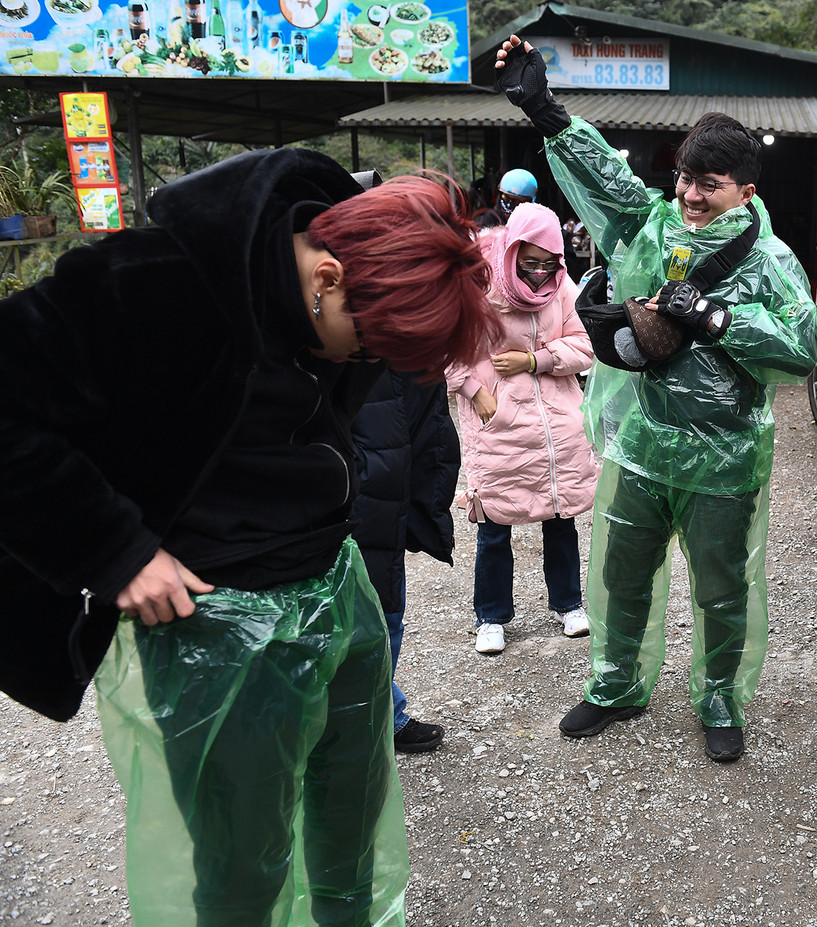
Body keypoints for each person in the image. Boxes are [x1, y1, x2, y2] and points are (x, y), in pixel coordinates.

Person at [0, 149, 492, 926]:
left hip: (334, 584)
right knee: (242, 863)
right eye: (369, 348)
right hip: (217, 622)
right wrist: (115, 549)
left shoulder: (341, 302)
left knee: (352, 815)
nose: (365, 364)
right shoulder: (156, 284)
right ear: (326, 277)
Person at [494, 36, 817, 763]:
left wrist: (719, 318)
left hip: (723, 459)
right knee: (620, 574)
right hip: (641, 447)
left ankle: (720, 699)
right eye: (685, 178)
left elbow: (801, 350)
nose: (691, 195)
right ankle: (616, 685)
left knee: (722, 589)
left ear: (746, 191)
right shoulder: (650, 225)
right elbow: (606, 178)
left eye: (710, 184)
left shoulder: (771, 262)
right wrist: (548, 114)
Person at [446, 201, 597, 655]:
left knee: (560, 516)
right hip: (500, 423)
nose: (539, 273)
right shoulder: (478, 285)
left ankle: (568, 604)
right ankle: (491, 616)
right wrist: (475, 391)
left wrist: (535, 360)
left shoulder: (561, 287)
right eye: (530, 263)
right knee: (495, 522)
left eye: (548, 264)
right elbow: (447, 347)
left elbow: (584, 346)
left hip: (556, 427)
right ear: (512, 251)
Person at [350, 369, 459, 754]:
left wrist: (425, 510)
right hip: (336, 496)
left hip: (382, 502)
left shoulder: (405, 348)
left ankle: (382, 715)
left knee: (383, 619)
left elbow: (430, 426)